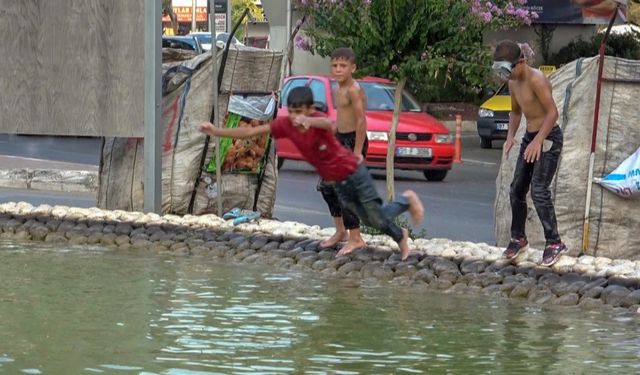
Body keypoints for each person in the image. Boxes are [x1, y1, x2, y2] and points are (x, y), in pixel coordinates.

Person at [198, 86, 424, 260]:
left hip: (353, 172)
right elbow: (254, 130)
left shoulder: (317, 123)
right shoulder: (286, 124)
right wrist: (216, 131)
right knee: (367, 219)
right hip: (338, 181)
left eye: (300, 112)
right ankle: (402, 218)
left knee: (375, 216)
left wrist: (310, 120)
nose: (296, 117)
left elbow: (330, 125)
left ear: (309, 109)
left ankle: (403, 221)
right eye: (293, 111)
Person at [493, 39, 567, 267]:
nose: (505, 75)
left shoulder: (537, 79)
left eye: (507, 70)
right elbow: (516, 112)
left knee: (539, 190)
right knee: (516, 188)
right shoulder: (513, 82)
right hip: (530, 138)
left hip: (548, 138)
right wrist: (510, 136)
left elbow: (552, 113)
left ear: (521, 62)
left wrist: (539, 139)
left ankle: (554, 242)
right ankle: (518, 238)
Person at [317, 47, 369, 256]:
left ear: (353, 68)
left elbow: (360, 121)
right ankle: (341, 231)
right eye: (335, 65)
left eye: (343, 66)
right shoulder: (338, 89)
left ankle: (356, 238)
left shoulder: (353, 90)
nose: (338, 69)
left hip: (354, 141)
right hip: (341, 140)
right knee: (326, 187)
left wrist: (357, 151)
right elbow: (343, 118)